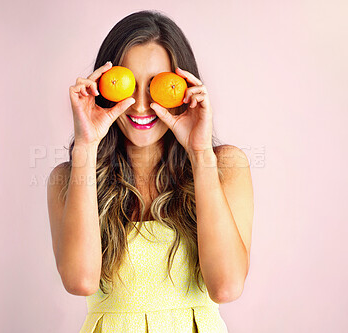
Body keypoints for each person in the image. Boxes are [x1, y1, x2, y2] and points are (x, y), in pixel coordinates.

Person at [47, 9, 254, 333]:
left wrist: (200, 154)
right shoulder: (69, 177)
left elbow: (226, 287)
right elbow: (80, 281)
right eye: (126, 85)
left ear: (183, 87)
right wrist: (86, 147)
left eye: (157, 85)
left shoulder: (226, 166)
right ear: (103, 86)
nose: (141, 106)